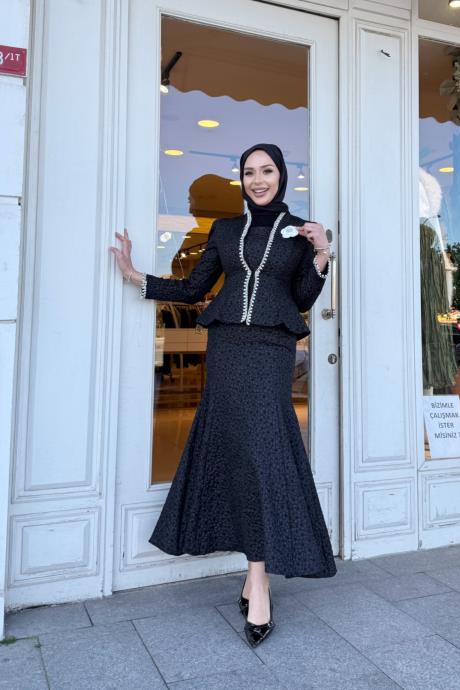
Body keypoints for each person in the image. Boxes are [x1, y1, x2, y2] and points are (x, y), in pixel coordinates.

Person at [109, 143, 336, 648]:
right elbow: (194, 289)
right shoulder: (224, 230)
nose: (259, 180)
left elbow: (301, 297)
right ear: (242, 180)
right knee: (239, 455)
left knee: (264, 456)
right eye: (250, 172)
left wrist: (323, 253)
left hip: (272, 349)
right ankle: (257, 577)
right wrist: (135, 276)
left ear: (282, 175)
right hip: (228, 347)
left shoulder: (301, 232)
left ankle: (257, 577)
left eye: (267, 170)